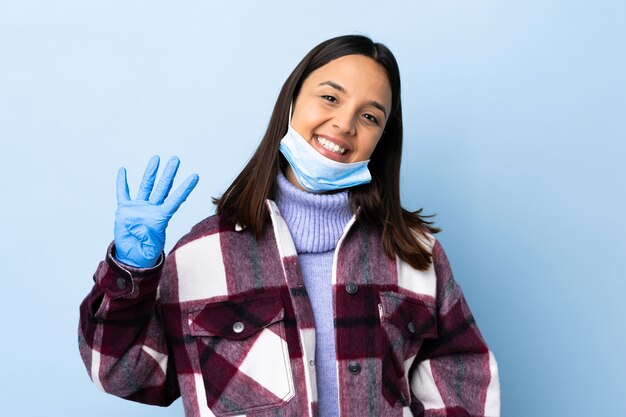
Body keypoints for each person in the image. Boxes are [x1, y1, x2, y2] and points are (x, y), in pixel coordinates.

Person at [79, 34, 500, 417]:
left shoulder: (415, 254)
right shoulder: (201, 255)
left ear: (382, 140)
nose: (345, 125)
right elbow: (125, 375)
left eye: (370, 117)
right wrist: (130, 276)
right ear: (292, 101)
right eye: (331, 99)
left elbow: (463, 377)